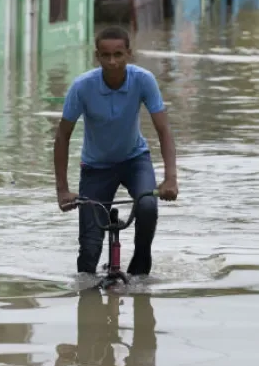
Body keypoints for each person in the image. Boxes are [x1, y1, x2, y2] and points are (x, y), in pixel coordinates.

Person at [53, 26, 179, 278]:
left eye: (118, 55)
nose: (112, 62)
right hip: (95, 168)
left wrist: (171, 178)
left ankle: (140, 267)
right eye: (106, 55)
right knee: (89, 248)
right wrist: (62, 190)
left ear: (129, 54)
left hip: (135, 161)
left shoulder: (143, 80)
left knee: (147, 207)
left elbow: (163, 130)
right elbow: (62, 136)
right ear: (97, 56)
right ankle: (87, 302)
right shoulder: (82, 87)